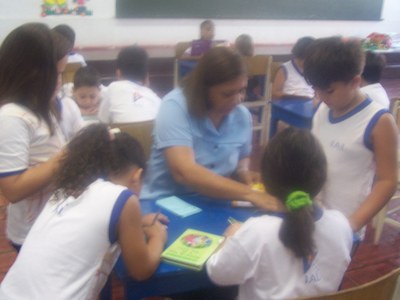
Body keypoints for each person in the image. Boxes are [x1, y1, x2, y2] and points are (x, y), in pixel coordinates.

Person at [0, 124, 168, 299]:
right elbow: (141, 270)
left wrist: (136, 223)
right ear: (137, 176)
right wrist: (158, 236)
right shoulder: (123, 197)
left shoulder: (65, 190)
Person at [206, 128, 353, 300]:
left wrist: (230, 237)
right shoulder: (341, 226)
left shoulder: (257, 232)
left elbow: (217, 274)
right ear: (321, 179)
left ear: (266, 181)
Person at [141, 47, 280, 211]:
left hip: (212, 200)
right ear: (204, 89)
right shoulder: (175, 106)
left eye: (242, 90)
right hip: (167, 202)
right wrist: (250, 194)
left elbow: (242, 158)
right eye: (227, 94)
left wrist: (243, 171)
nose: (237, 100)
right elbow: (183, 171)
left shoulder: (242, 116)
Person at [304, 36, 398, 236]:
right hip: (313, 214)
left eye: (328, 91)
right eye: (315, 90)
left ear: (355, 81)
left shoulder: (379, 121)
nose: (320, 97)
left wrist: (350, 225)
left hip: (345, 223)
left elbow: (387, 181)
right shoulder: (323, 108)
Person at [0, 23, 66, 250]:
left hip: (52, 221)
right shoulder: (11, 117)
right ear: (33, 74)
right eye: (57, 74)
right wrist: (66, 157)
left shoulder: (42, 108)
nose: (61, 81)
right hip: (31, 233)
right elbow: (13, 188)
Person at [98, 45, 162, 124]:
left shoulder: (113, 87)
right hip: (150, 135)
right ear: (147, 77)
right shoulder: (156, 98)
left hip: (123, 135)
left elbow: (102, 121)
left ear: (118, 73)